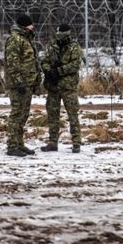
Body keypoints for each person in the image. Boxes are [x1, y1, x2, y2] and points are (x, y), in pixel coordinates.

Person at [40, 23, 83, 153]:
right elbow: (44, 61)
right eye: (58, 33)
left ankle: (76, 142)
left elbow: (75, 65)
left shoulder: (74, 47)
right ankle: (53, 142)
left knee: (72, 114)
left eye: (61, 33)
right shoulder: (52, 46)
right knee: (52, 115)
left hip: (67, 86)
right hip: (53, 86)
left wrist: (59, 71)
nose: (59, 35)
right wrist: (48, 71)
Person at [4, 14, 41, 157]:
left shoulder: (25, 39)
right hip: (19, 84)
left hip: (27, 83)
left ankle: (19, 143)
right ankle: (12, 146)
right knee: (17, 114)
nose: (33, 27)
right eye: (31, 25)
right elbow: (12, 63)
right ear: (25, 26)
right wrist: (19, 82)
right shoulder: (15, 40)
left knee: (23, 115)